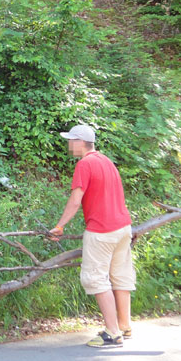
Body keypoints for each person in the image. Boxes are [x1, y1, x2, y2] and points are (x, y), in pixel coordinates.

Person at [49, 124, 135, 348]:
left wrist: (60, 226)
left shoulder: (84, 164)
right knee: (120, 276)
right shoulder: (107, 161)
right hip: (123, 228)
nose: (68, 145)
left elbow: (76, 200)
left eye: (70, 140)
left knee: (95, 279)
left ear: (79, 142)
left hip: (102, 231)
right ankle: (124, 325)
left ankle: (112, 332)